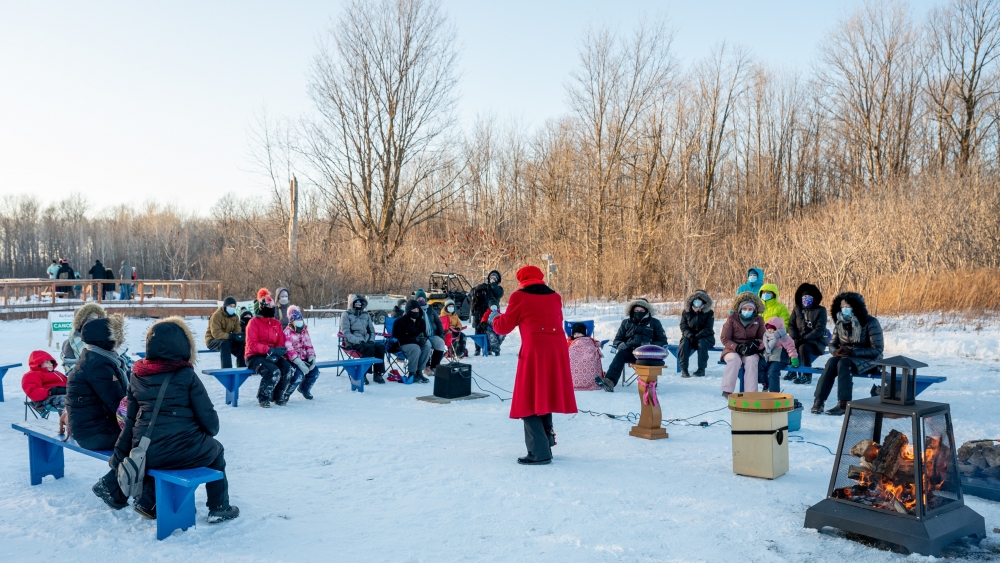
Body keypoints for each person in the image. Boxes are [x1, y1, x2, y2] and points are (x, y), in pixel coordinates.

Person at [112, 317, 239, 523]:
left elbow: (131, 420)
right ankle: (219, 507)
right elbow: (210, 422)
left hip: (146, 452)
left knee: (166, 453)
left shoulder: (137, 374)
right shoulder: (186, 375)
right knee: (217, 449)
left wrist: (119, 454)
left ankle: (150, 499)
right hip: (181, 451)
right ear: (182, 344)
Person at [492, 265, 577, 465]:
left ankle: (539, 452)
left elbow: (504, 327)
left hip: (535, 351)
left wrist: (495, 318)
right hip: (557, 350)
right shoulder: (555, 296)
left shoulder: (519, 296)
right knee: (544, 395)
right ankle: (547, 443)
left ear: (521, 280)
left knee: (528, 398)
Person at [63, 315, 131, 510]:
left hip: (95, 426)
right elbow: (119, 405)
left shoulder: (99, 358)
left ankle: (135, 491)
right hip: (92, 433)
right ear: (106, 339)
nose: (118, 341)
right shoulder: (98, 364)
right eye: (115, 337)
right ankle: (111, 486)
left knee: (145, 439)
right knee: (146, 441)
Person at [812, 292, 884, 416]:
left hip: (869, 359)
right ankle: (819, 400)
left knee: (844, 363)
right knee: (832, 361)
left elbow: (877, 349)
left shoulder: (871, 322)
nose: (845, 309)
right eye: (843, 306)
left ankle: (844, 404)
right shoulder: (840, 322)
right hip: (846, 357)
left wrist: (852, 351)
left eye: (848, 307)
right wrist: (835, 351)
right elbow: (832, 344)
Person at [598, 298, 667, 392]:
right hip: (631, 351)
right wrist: (619, 344)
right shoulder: (626, 322)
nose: (639, 312)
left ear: (647, 310)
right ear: (632, 311)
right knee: (620, 354)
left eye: (642, 311)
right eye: (637, 310)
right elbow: (617, 339)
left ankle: (650, 384)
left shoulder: (655, 322)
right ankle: (610, 381)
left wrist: (650, 345)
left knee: (649, 361)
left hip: (647, 353)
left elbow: (663, 341)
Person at [245, 289, 297, 407]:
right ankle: (263, 397)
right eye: (268, 305)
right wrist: (268, 350)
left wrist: (277, 352)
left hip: (272, 354)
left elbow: (280, 342)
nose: (271, 307)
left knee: (288, 370)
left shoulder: (276, 323)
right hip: (254, 355)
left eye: (272, 305)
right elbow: (252, 344)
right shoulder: (253, 322)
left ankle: (277, 395)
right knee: (273, 372)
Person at [720, 292, 765, 398]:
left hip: (750, 349)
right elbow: (724, 338)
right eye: (745, 309)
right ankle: (727, 390)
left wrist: (755, 344)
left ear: (754, 310)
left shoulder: (758, 320)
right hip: (732, 349)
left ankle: (751, 392)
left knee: (752, 360)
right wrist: (737, 347)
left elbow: (763, 338)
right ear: (740, 309)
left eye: (750, 309)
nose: (747, 311)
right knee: (734, 359)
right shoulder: (731, 319)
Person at [787, 282, 829, 385]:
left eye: (809, 297)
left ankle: (806, 375)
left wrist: (805, 338)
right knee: (790, 345)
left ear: (814, 298)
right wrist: (795, 337)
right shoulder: (797, 309)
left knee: (803, 347)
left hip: (814, 341)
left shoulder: (821, 310)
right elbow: (791, 325)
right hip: (799, 339)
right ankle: (792, 371)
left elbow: (819, 329)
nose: (806, 298)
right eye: (804, 296)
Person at [340, 295, 386, 384]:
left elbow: (371, 330)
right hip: (353, 342)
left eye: (360, 303)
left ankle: (378, 373)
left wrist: (371, 340)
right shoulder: (346, 315)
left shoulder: (366, 314)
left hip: (367, 340)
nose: (358, 305)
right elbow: (346, 333)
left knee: (380, 346)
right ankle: (363, 374)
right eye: (356, 302)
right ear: (351, 303)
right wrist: (359, 341)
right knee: (369, 348)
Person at [391, 299, 433, 383]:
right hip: (402, 343)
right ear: (408, 310)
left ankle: (419, 371)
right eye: (413, 309)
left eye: (417, 309)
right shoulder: (399, 321)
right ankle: (412, 372)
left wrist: (423, 339)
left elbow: (424, 334)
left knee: (428, 346)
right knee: (415, 348)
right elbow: (397, 337)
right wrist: (413, 339)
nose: (416, 311)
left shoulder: (421, 321)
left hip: (417, 342)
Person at [284, 306, 320, 398]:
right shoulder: (287, 332)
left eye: (300, 320)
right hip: (292, 360)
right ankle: (286, 394)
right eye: (296, 321)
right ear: (291, 322)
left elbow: (309, 345)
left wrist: (312, 357)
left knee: (314, 372)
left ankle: (304, 388)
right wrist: (298, 361)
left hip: (304, 358)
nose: (299, 323)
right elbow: (289, 349)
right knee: (298, 375)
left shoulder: (305, 331)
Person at [678, 290, 715, 378]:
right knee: (684, 342)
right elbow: (683, 326)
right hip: (689, 337)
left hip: (705, 337)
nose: (697, 302)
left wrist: (698, 336)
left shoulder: (709, 312)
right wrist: (689, 334)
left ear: (704, 301)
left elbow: (708, 328)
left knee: (702, 342)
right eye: (695, 299)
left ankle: (701, 369)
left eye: (700, 299)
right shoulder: (686, 311)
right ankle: (684, 369)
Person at [21, 350, 68, 416]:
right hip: (45, 398)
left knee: (83, 396)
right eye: (47, 362)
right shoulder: (32, 375)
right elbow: (32, 391)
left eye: (51, 362)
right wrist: (51, 391)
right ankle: (70, 422)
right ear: (38, 364)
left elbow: (68, 382)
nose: (51, 364)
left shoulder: (57, 373)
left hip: (64, 393)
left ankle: (84, 420)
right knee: (67, 400)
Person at [61, 302, 107, 368]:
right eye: (93, 320)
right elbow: (69, 362)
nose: (96, 323)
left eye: (98, 319)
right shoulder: (74, 338)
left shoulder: (104, 335)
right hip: (83, 371)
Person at [759, 317, 798, 393]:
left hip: (780, 359)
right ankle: (765, 383)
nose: (770, 330)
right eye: (768, 328)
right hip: (769, 357)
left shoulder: (784, 337)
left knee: (772, 371)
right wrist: (757, 347)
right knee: (760, 366)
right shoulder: (767, 336)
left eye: (772, 329)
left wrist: (794, 359)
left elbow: (791, 348)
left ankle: (774, 392)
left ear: (778, 328)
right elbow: (763, 345)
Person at [205, 296, 245, 369]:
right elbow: (216, 333)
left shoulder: (235, 317)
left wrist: (240, 336)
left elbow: (237, 330)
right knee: (225, 343)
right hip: (212, 340)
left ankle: (242, 367)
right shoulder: (216, 316)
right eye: (230, 306)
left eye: (234, 306)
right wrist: (230, 336)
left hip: (227, 339)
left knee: (241, 342)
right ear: (225, 306)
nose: (232, 308)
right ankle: (227, 368)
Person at [470, 270, 504, 355]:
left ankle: (488, 348)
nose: (492, 278)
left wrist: (493, 284)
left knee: (489, 330)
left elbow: (498, 294)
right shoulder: (484, 286)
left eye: (494, 277)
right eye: (491, 277)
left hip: (491, 312)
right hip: (479, 311)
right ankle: (477, 349)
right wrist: (477, 289)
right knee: (478, 329)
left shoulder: (499, 289)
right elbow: (472, 293)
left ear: (498, 279)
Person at [414, 289, 446, 373]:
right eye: (418, 298)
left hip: (433, 334)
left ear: (425, 299)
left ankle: (435, 366)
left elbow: (438, 322)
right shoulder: (414, 310)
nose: (421, 300)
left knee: (440, 343)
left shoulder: (430, 310)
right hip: (421, 336)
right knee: (427, 345)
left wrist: (441, 334)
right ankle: (426, 366)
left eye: (422, 298)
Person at [567, 322, 603, 390]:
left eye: (579, 333)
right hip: (574, 354)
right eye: (575, 334)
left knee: (592, 356)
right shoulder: (570, 341)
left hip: (588, 351)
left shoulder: (589, 340)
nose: (577, 335)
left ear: (584, 333)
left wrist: (599, 344)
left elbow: (596, 343)